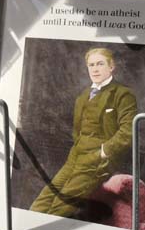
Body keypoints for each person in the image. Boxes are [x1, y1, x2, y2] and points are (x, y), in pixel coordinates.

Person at [29, 48, 137, 219]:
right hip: (76, 155)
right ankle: (27, 227)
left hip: (99, 158)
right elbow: (77, 129)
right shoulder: (83, 96)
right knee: (46, 196)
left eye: (100, 64)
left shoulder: (123, 94)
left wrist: (102, 152)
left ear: (111, 67)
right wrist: (78, 147)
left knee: (62, 204)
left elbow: (127, 131)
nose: (95, 69)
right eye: (91, 65)